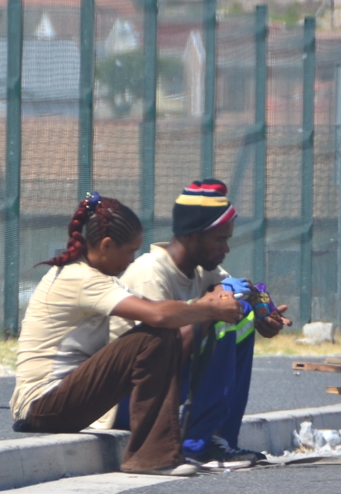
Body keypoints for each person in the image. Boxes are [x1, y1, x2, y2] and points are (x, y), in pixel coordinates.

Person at [10, 192, 242, 477]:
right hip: (43, 406)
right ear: (106, 246)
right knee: (155, 335)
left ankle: (182, 444)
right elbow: (157, 315)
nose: (132, 260)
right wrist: (208, 309)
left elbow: (155, 307)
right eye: (130, 251)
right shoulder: (80, 278)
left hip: (60, 403)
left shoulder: (95, 276)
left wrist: (208, 304)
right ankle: (152, 457)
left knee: (161, 332)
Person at [110, 179, 291, 467]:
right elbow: (161, 358)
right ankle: (195, 444)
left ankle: (220, 438)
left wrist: (262, 316)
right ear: (193, 236)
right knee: (222, 320)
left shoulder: (202, 271)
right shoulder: (150, 273)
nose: (227, 249)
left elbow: (238, 293)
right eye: (220, 240)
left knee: (238, 319)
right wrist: (208, 310)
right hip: (129, 398)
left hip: (165, 388)